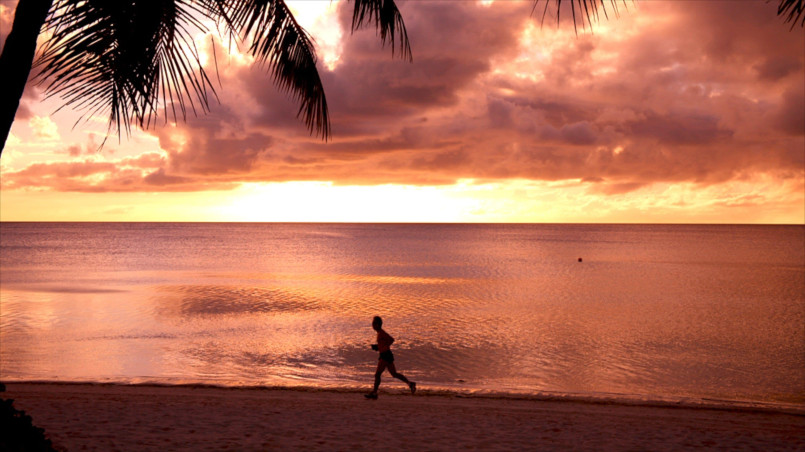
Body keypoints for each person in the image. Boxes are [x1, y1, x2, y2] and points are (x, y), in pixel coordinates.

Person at [365, 316, 416, 399]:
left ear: (378, 324)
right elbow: (384, 343)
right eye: (373, 323)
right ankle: (410, 384)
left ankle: (374, 393)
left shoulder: (381, 333)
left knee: (377, 374)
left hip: (385, 355)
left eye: (374, 323)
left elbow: (391, 340)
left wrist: (384, 347)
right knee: (394, 374)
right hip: (386, 354)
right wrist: (378, 347)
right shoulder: (379, 333)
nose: (372, 325)